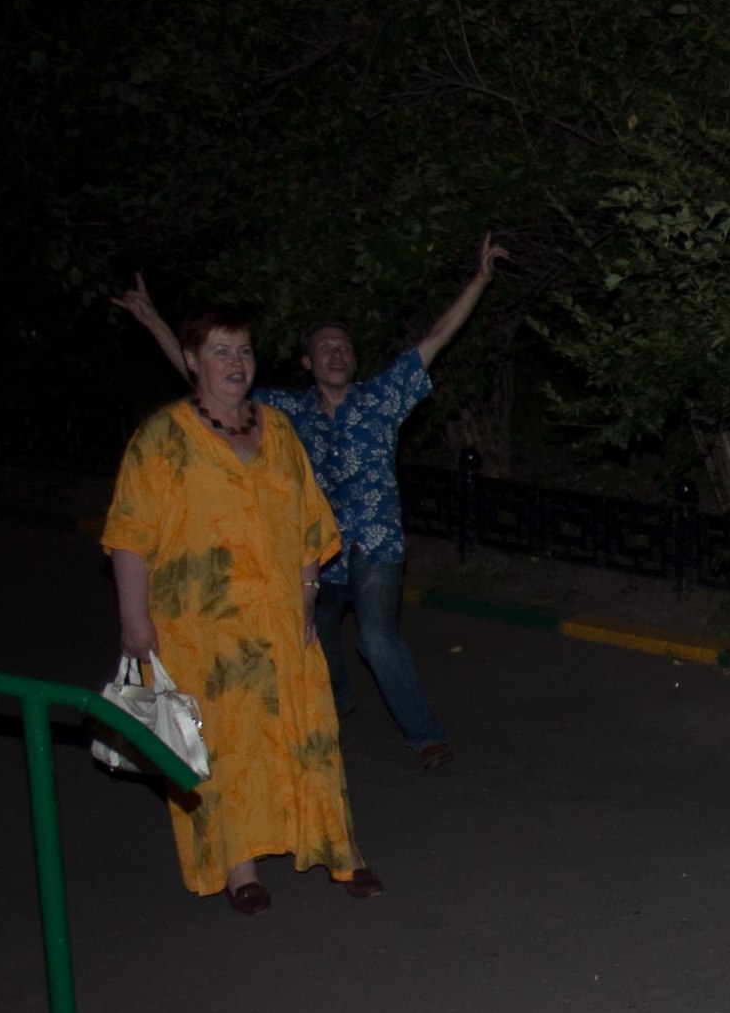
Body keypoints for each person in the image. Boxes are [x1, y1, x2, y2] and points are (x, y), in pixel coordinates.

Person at [114, 234, 508, 769]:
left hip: (374, 546)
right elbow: (204, 377)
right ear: (307, 361)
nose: (336, 353)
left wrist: (480, 279)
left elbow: (436, 337)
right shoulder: (282, 412)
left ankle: (425, 735)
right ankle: (336, 698)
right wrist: (154, 322)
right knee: (311, 633)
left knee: (375, 637)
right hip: (313, 554)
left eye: (344, 347)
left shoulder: (380, 399)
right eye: (324, 347)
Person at [102, 306, 378, 911]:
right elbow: (129, 536)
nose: (236, 363)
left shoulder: (277, 429)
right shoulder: (162, 437)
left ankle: (339, 846)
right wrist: (134, 618)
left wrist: (308, 593)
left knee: (307, 731)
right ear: (192, 360)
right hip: (201, 628)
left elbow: (307, 522)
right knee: (223, 741)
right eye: (221, 352)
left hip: (280, 618)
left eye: (244, 351)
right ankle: (238, 865)